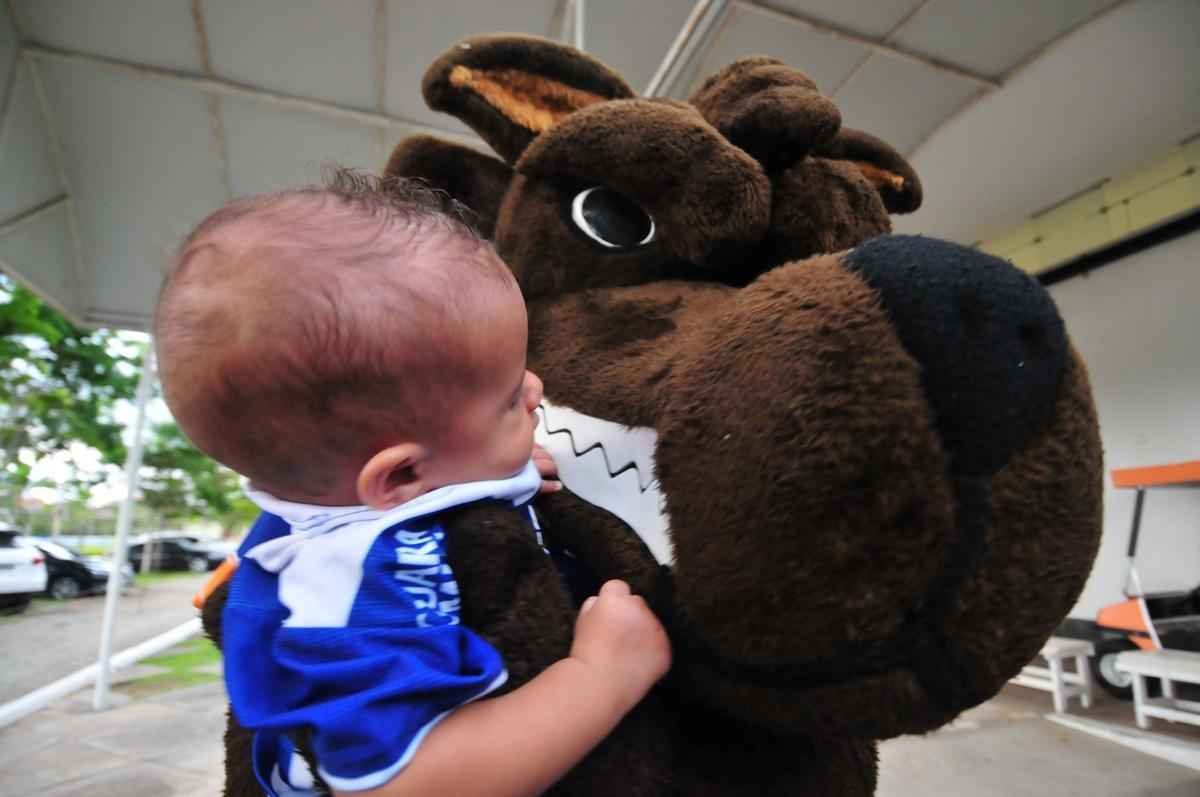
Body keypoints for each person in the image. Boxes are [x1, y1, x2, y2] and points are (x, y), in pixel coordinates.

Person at [153, 169, 671, 797]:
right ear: (400, 473)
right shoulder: (348, 599)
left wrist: (486, 470)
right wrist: (601, 676)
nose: (536, 390)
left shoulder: (349, 494)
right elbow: (408, 785)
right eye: (510, 399)